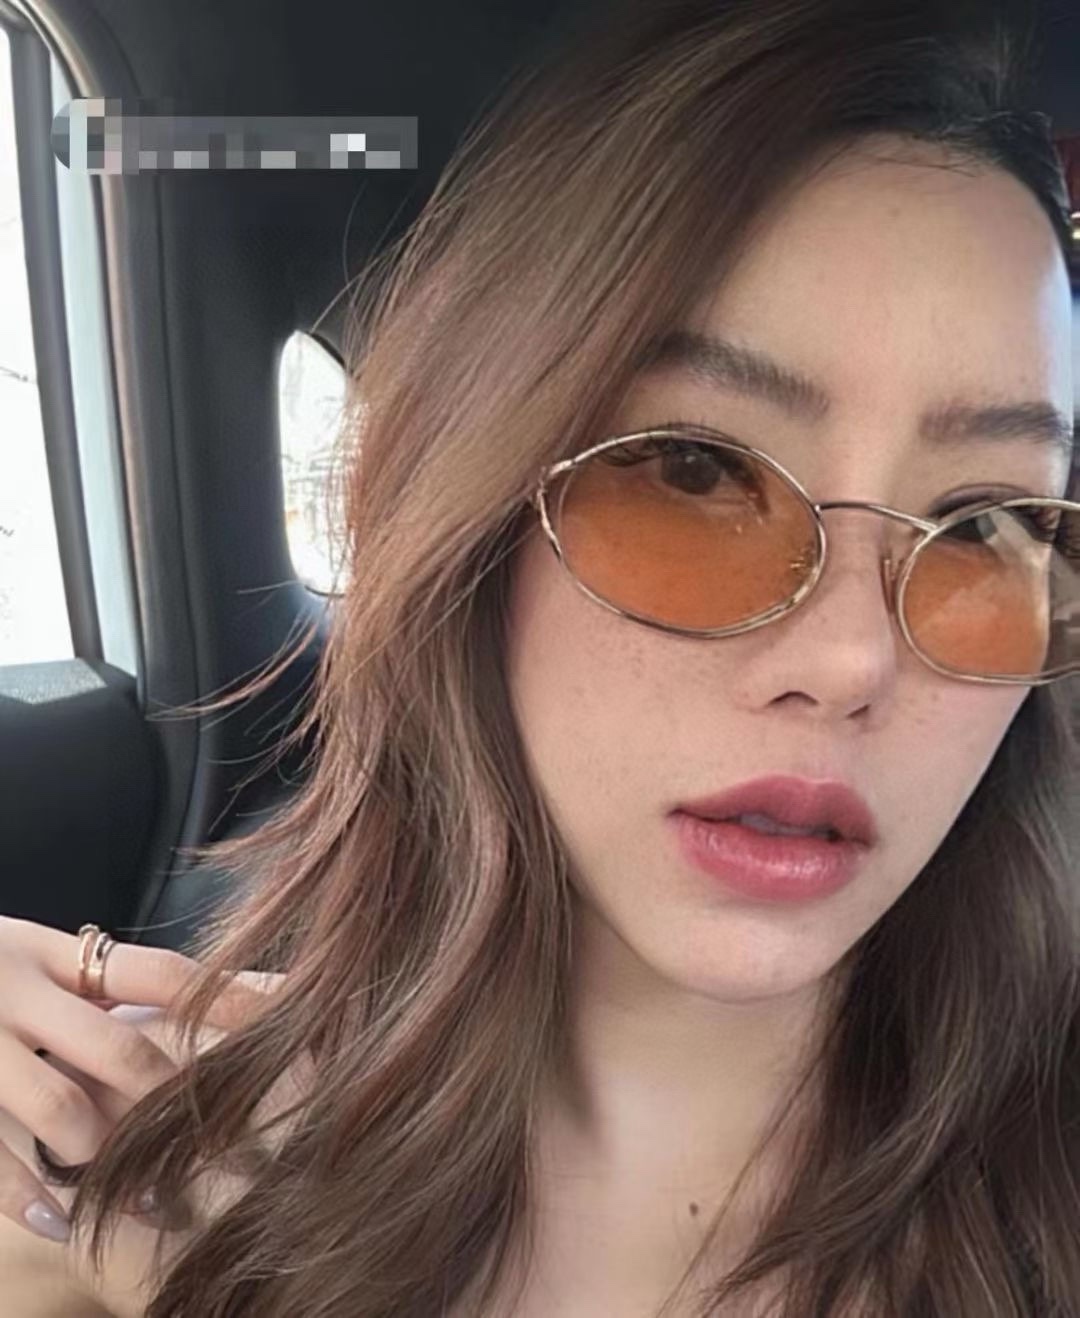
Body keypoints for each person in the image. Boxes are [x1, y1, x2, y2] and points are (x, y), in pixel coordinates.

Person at [1, 0, 1078, 1312]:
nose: (855, 657)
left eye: (989, 524)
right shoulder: (130, 1186)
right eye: (692, 471)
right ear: (475, 518)